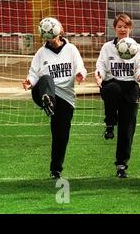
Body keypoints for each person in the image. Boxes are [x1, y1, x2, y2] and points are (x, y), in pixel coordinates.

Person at [22, 17, 87, 179]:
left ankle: (56, 170)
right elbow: (34, 73)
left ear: (60, 31)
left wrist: (80, 74)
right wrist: (29, 82)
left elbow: (80, 65)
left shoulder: (71, 49)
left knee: (61, 136)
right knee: (46, 79)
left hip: (65, 98)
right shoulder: (41, 53)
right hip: (44, 91)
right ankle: (47, 100)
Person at [95, 13, 140, 178]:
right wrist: (99, 76)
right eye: (119, 26)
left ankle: (121, 165)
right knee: (112, 89)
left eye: (125, 26)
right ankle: (110, 123)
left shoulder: (138, 48)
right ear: (114, 29)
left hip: (130, 86)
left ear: (130, 28)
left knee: (127, 127)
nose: (122, 29)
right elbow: (101, 65)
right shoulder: (107, 47)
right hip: (112, 84)